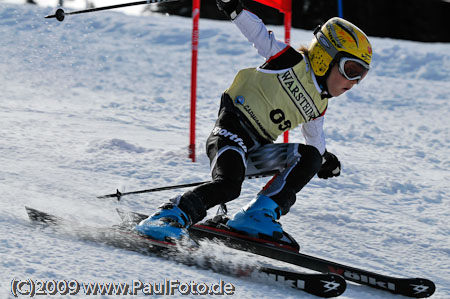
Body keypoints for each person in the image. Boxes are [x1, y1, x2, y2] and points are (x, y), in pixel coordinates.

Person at [134, 0, 372, 242]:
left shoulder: (319, 105)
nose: (353, 82)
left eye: (361, 76)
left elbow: (315, 142)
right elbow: (258, 34)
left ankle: (256, 215)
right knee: (228, 185)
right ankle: (168, 216)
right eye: (351, 69)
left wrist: (322, 159)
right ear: (326, 56)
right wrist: (234, 8)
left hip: (257, 149)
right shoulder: (289, 62)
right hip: (231, 132)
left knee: (309, 157)